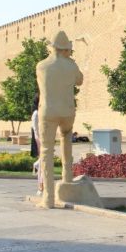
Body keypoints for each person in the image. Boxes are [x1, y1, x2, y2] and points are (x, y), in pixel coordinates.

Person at [36, 30, 84, 209]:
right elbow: (80, 81)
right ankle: (67, 178)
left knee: (47, 151)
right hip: (67, 112)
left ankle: (48, 199)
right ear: (66, 49)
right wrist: (71, 63)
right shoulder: (71, 66)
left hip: (48, 112)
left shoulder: (41, 66)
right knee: (66, 140)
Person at [30, 94, 43, 194]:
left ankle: (37, 164)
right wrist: (39, 142)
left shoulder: (42, 112)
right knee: (44, 162)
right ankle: (40, 187)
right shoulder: (36, 114)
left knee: (44, 161)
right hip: (39, 139)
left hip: (44, 139)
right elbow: (35, 130)